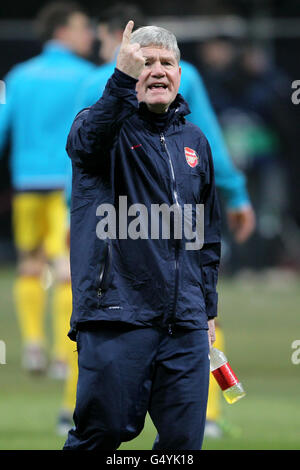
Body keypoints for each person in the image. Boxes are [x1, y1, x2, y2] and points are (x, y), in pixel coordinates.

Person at [62, 3, 255, 439]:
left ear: (181, 74)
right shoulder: (101, 128)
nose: (158, 71)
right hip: (116, 316)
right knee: (102, 436)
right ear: (130, 73)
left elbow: (205, 236)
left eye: (167, 62)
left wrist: (205, 310)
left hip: (184, 324)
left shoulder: (195, 141)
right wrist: (119, 81)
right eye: (146, 63)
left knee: (184, 443)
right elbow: (88, 142)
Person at [0, 1, 94, 375]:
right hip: (67, 185)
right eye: (82, 27)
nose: (88, 34)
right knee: (66, 267)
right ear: (62, 32)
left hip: (27, 184)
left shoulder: (19, 76)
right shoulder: (88, 77)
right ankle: (61, 353)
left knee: (29, 264)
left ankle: (34, 345)